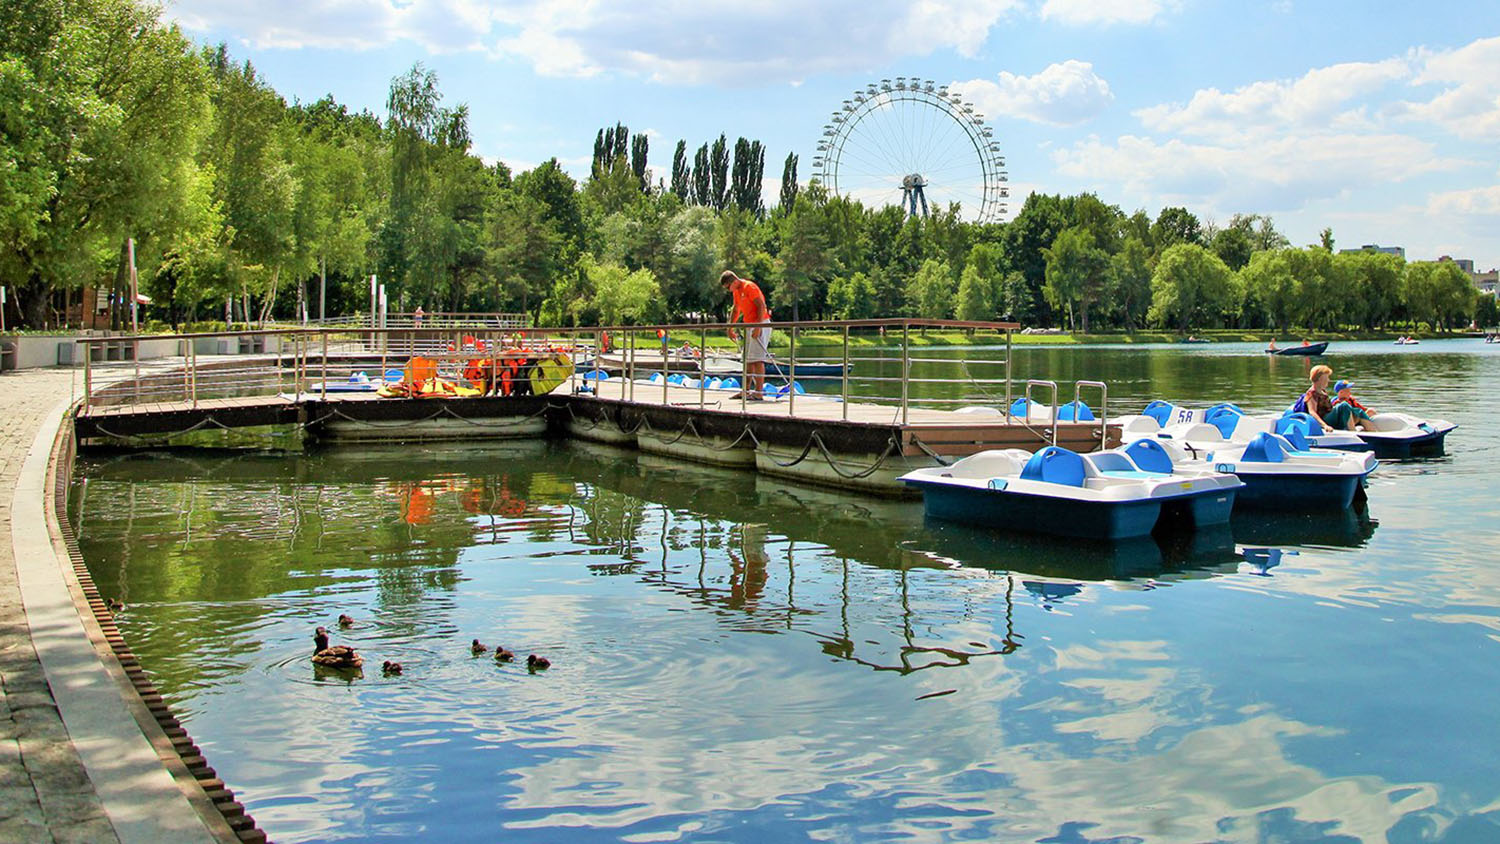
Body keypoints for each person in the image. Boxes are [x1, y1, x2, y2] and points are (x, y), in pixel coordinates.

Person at [720, 270, 771, 399]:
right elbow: (736, 309)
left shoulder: (749, 287)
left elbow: (761, 306)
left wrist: (758, 326)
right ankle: (746, 390)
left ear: (734, 281)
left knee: (758, 359)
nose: (729, 290)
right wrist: (730, 327)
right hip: (748, 325)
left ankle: (759, 393)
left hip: (760, 323)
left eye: (728, 287)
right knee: (748, 360)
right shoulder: (737, 292)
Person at [1300, 365, 1366, 431]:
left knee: (1359, 412)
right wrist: (1325, 425)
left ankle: (1373, 432)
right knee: (1344, 405)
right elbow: (1312, 412)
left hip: (1330, 418)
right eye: (1327, 377)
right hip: (1324, 421)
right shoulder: (1311, 393)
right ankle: (1353, 431)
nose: (1328, 380)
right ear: (1320, 378)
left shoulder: (1322, 391)